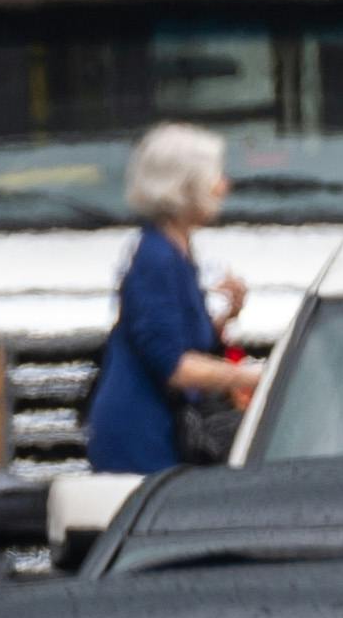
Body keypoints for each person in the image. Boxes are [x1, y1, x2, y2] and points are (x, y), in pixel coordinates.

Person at [81, 122, 255, 476]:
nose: (224, 186)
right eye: (214, 177)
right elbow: (174, 366)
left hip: (166, 429)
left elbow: (183, 340)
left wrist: (226, 317)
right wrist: (253, 378)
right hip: (142, 436)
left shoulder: (177, 251)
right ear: (185, 186)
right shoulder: (156, 258)